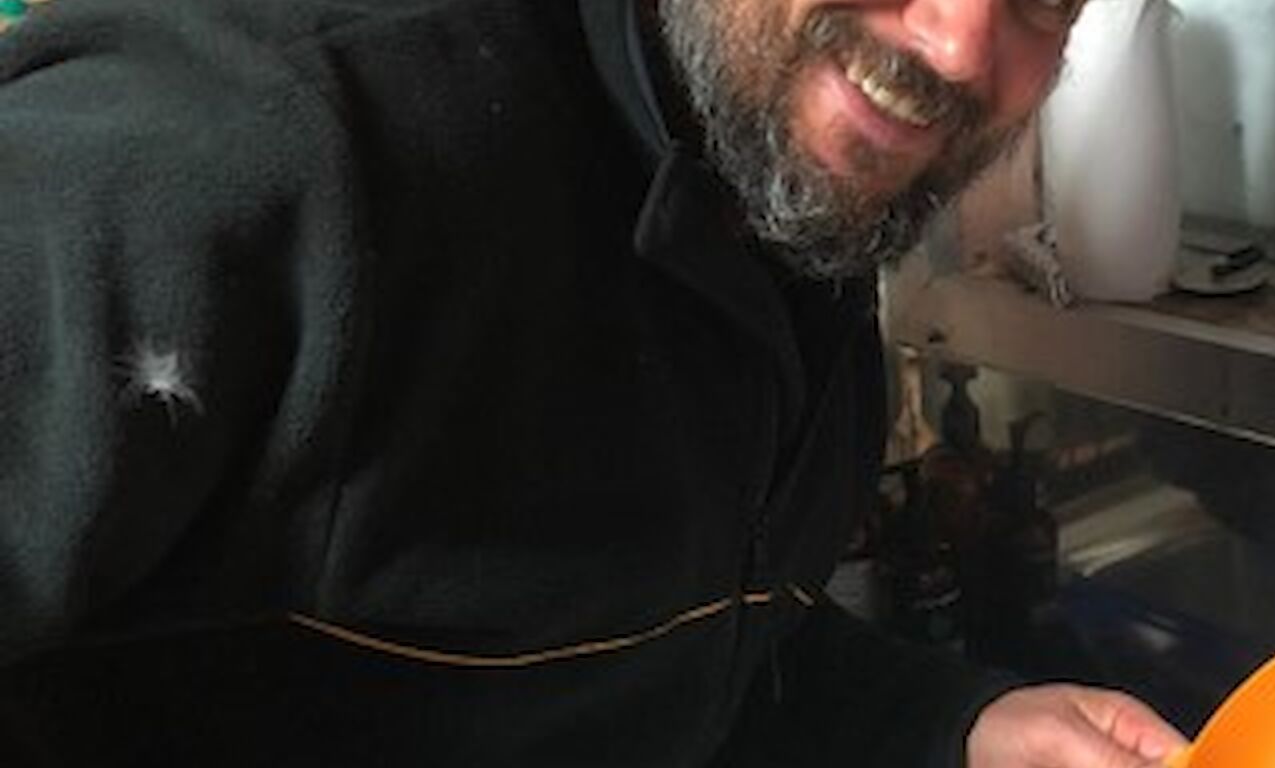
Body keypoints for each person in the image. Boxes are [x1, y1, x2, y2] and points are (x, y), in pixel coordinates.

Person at [0, 0, 1189, 765]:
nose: (957, 45)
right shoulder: (268, 144)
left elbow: (643, 651)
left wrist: (948, 726)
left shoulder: (788, 190)